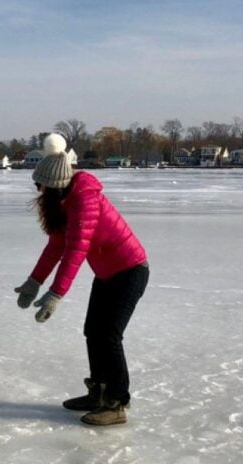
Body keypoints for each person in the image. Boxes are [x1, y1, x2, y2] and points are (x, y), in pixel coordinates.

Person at [14, 133, 149, 426]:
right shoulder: (66, 203)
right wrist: (33, 281)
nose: (37, 190)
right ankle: (98, 393)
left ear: (52, 185)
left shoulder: (85, 201)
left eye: (39, 185)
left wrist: (56, 293)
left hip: (130, 271)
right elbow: (56, 246)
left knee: (109, 335)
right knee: (93, 331)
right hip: (107, 273)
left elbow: (76, 249)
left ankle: (116, 402)